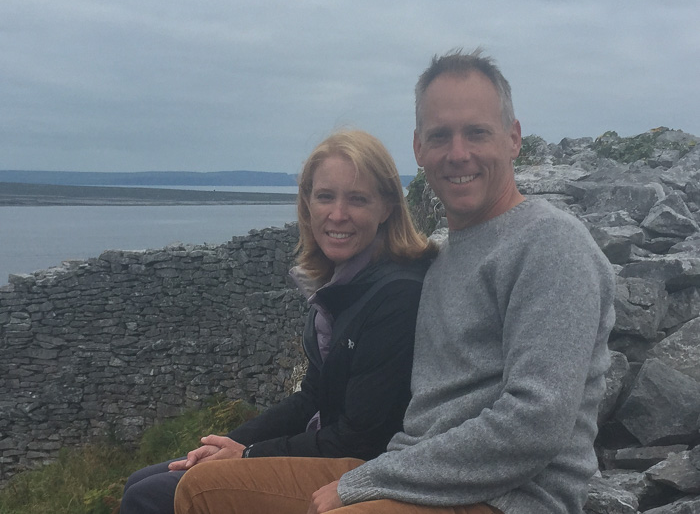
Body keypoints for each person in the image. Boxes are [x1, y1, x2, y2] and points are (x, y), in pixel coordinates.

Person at [173, 49, 616, 514]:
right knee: (200, 490)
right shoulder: (445, 260)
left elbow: (534, 423)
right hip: (414, 474)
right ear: (418, 148)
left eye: (477, 132)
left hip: (508, 497)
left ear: (513, 137)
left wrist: (367, 480)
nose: (458, 153)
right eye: (440, 136)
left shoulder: (550, 244)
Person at [119, 129, 437, 514]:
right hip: (333, 449)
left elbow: (360, 438)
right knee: (143, 480)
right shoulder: (347, 281)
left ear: (387, 207)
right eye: (324, 196)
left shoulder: (395, 295)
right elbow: (314, 396)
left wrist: (248, 454)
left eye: (357, 199)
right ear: (307, 204)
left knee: (148, 497)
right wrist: (226, 444)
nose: (338, 214)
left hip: (365, 467)